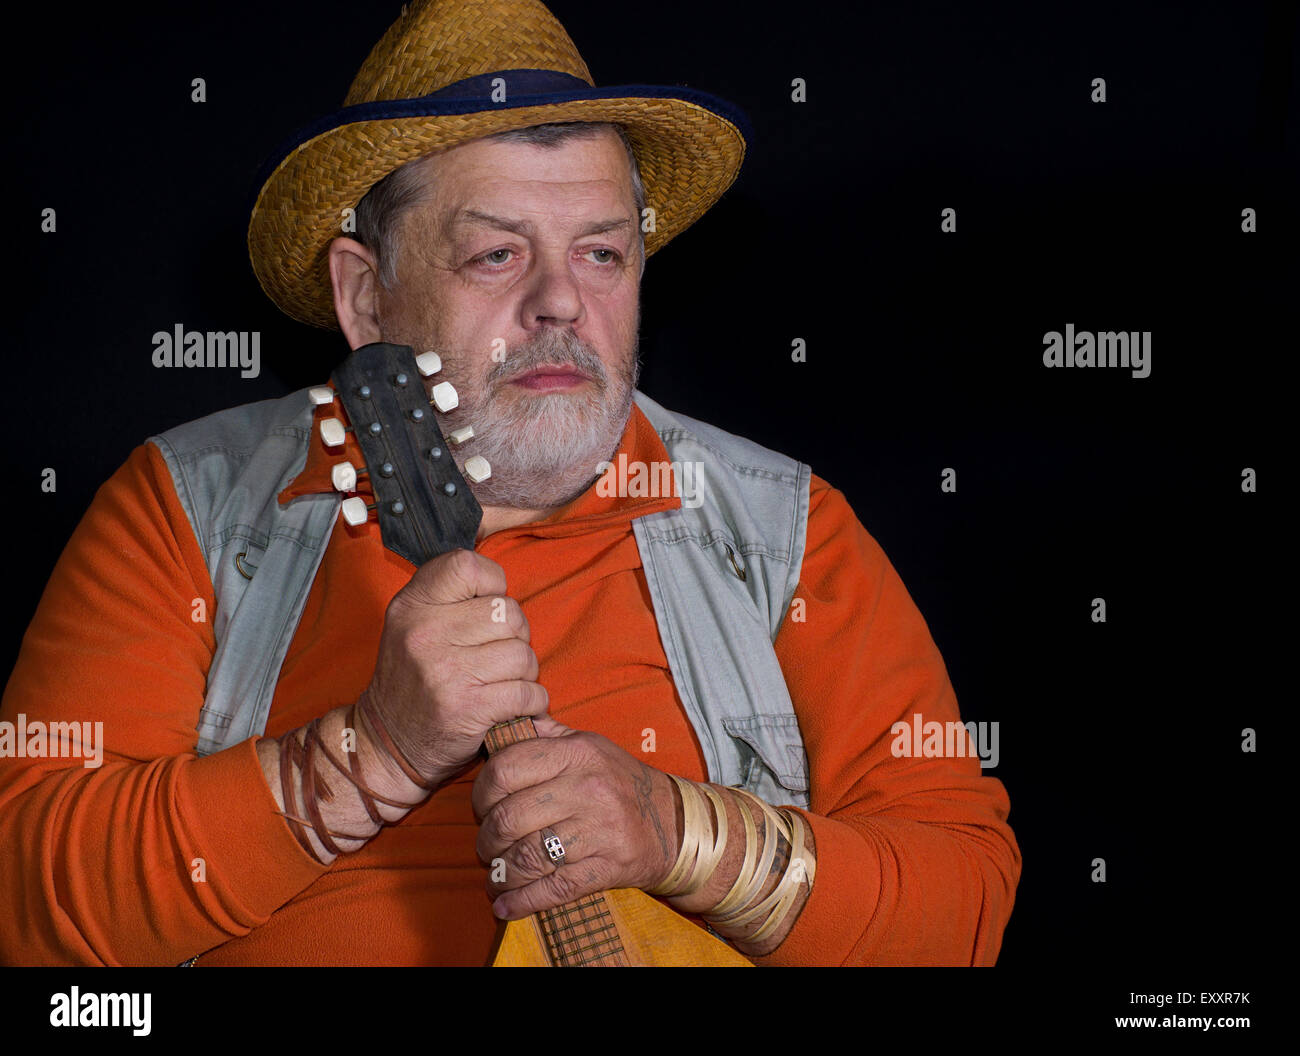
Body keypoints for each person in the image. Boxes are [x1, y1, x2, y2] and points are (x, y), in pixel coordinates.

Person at [0, 0, 1020, 966]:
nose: (560, 304)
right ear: (365, 294)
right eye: (495, 255)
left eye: (601, 254)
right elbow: (22, 902)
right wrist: (370, 756)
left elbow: (963, 905)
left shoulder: (782, 527)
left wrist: (679, 834)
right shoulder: (187, 506)